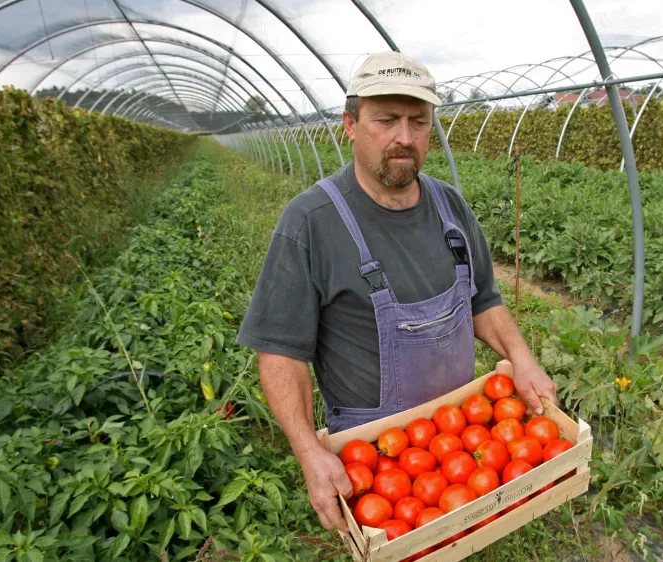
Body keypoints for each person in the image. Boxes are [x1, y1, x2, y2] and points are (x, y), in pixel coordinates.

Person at [235, 51, 557, 532]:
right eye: (386, 120)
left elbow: (483, 300)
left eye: (418, 121)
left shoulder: (451, 208)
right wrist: (308, 452)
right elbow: (280, 353)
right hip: (378, 462)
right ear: (350, 123)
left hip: (463, 438)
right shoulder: (310, 223)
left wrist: (522, 357)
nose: (404, 138)